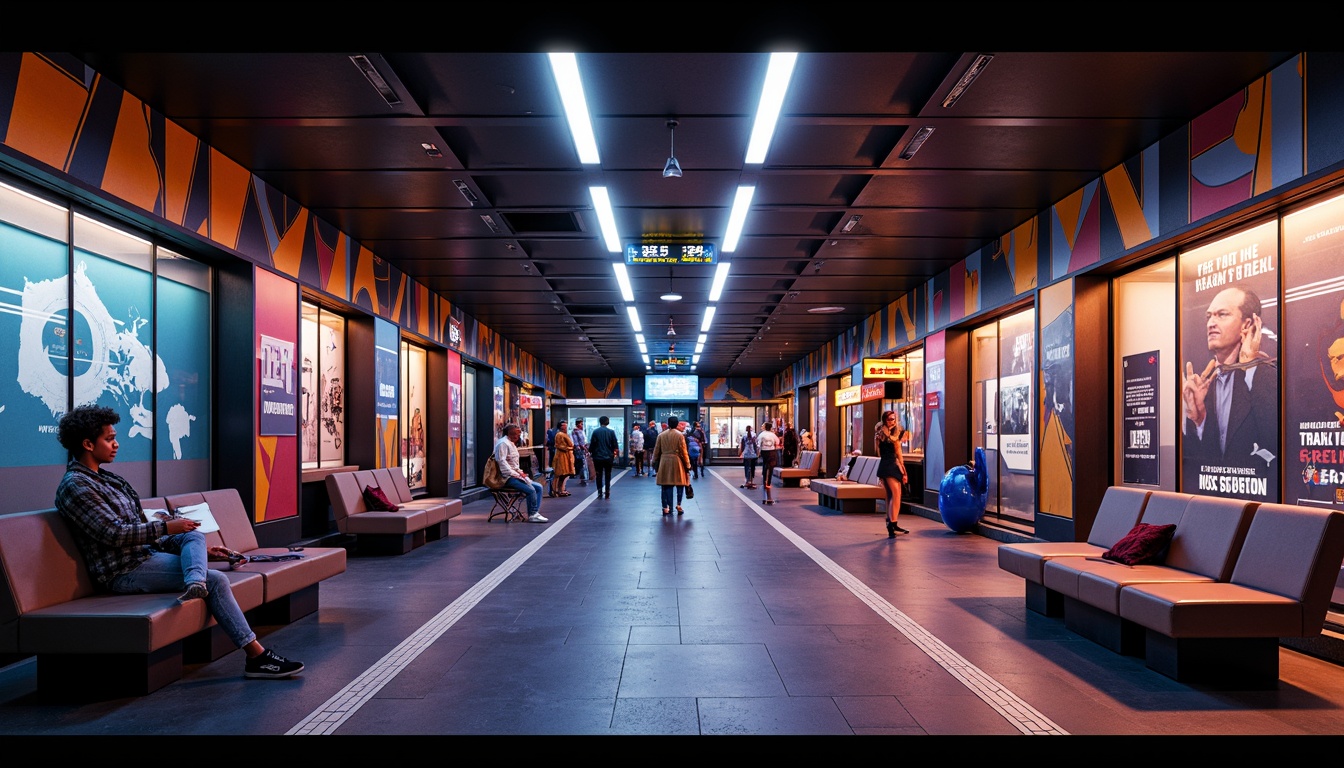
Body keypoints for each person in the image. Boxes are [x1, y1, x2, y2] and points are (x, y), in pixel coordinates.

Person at [54, 404, 304, 679]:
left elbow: (141, 530)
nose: (116, 444)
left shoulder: (109, 480)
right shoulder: (76, 486)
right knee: (217, 580)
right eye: (109, 439)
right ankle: (256, 656)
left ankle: (194, 578)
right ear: (88, 444)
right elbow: (114, 534)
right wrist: (166, 527)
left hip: (145, 557)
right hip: (123, 570)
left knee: (193, 534)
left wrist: (201, 552)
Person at [1181, 284, 1278, 492]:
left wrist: (1250, 368)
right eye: (1209, 317)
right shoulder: (1201, 385)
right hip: (1213, 503)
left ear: (1248, 324)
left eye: (1222, 315)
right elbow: (1195, 464)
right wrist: (1198, 420)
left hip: (1261, 504)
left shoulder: (1268, 375)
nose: (1211, 324)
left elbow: (1276, 442)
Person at [496, 422, 547, 523]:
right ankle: (532, 514)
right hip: (507, 477)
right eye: (515, 434)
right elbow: (502, 461)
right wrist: (515, 474)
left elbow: (514, 464)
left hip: (514, 475)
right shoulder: (503, 443)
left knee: (538, 487)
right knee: (531, 490)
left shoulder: (511, 444)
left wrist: (520, 473)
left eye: (518, 434)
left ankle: (535, 512)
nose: (517, 436)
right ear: (509, 433)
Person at [875, 410, 910, 537]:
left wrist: (903, 468)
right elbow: (895, 452)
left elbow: (895, 452)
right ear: (884, 420)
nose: (892, 421)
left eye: (894, 419)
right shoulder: (884, 434)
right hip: (890, 465)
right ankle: (892, 523)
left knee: (891, 495)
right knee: (896, 494)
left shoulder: (887, 433)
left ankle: (892, 522)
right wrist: (901, 467)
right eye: (890, 419)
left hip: (888, 465)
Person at [652, 415, 691, 515]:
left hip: (664, 461)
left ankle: (666, 507)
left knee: (666, 485)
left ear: (668, 424)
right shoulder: (679, 435)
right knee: (680, 484)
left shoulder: (661, 435)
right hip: (677, 461)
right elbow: (684, 451)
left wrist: (654, 462)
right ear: (677, 424)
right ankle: (678, 505)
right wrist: (687, 465)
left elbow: (656, 451)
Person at [589, 415, 619, 499]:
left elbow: (592, 445)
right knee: (608, 474)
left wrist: (590, 451)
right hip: (608, 456)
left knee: (599, 474)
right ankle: (607, 491)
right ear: (607, 422)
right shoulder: (611, 432)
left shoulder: (595, 432)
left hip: (597, 457)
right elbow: (615, 444)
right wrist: (615, 453)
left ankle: (599, 491)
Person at [757, 421, 780, 504]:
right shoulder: (773, 435)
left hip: (764, 451)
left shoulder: (761, 435)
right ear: (770, 428)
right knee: (771, 466)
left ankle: (764, 479)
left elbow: (758, 444)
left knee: (765, 464)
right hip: (771, 451)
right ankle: (768, 481)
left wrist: (758, 453)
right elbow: (777, 442)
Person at [551, 419, 575, 497]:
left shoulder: (564, 434)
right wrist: (568, 448)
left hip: (566, 455)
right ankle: (557, 490)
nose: (565, 427)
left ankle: (561, 489)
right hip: (561, 455)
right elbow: (558, 445)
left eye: (566, 425)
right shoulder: (559, 434)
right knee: (561, 473)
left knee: (565, 474)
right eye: (564, 425)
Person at [739, 424, 759, 489]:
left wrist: (741, 453)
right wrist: (757, 453)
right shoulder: (754, 435)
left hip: (746, 453)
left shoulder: (744, 435)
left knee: (747, 467)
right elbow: (755, 445)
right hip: (753, 454)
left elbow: (742, 445)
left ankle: (747, 480)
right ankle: (751, 479)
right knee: (752, 467)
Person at [571, 418, 589, 486]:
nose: (582, 425)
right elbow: (577, 443)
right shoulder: (575, 432)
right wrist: (584, 448)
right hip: (579, 450)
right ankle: (583, 478)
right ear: (578, 424)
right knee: (581, 464)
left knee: (583, 464)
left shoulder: (581, 431)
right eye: (581, 424)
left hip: (583, 449)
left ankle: (584, 478)